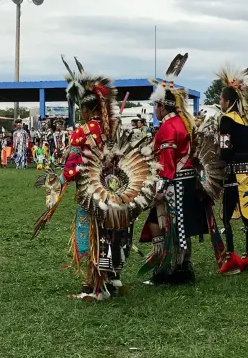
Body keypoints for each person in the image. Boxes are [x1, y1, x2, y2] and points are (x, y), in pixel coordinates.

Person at [33, 57, 157, 301]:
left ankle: (92, 287)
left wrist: (56, 180)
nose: (80, 114)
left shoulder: (83, 131)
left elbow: (72, 168)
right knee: (111, 233)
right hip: (114, 190)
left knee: (89, 234)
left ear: (88, 110)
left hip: (90, 194)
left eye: (82, 110)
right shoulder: (113, 128)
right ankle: (110, 278)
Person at [139, 53, 215, 285]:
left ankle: (173, 270)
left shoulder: (168, 128)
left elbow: (168, 160)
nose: (154, 110)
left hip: (174, 184)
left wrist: (161, 187)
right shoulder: (182, 122)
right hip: (184, 181)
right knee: (174, 226)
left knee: (170, 227)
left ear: (162, 106)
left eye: (155, 106)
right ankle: (179, 267)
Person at [216, 63, 248, 275]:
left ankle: (232, 259)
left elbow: (225, 151)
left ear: (228, 101)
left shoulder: (226, 120)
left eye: (221, 99)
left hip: (233, 175)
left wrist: (219, 161)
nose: (219, 102)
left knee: (226, 216)